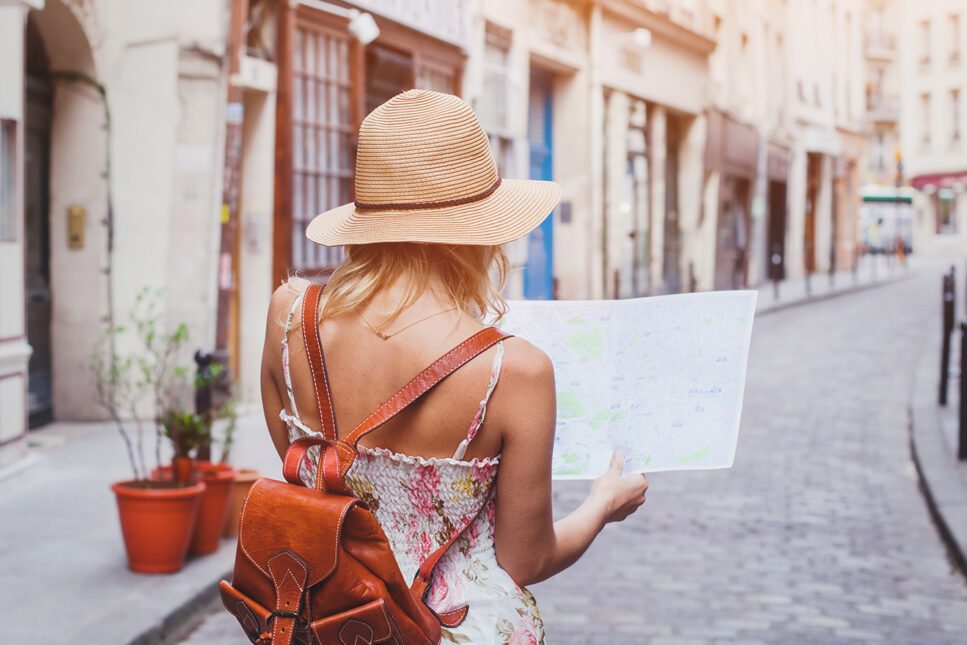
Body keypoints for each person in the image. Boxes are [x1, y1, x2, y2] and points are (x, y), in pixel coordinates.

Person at [260, 89, 648, 644]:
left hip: (320, 621)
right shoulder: (513, 371)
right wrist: (601, 504)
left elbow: (306, 469)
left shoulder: (288, 315)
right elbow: (525, 560)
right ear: (479, 230)